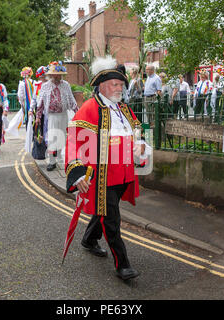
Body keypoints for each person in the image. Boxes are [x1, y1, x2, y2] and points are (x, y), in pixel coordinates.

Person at [65, 55, 151, 281]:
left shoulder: (123, 108)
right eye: (115, 84)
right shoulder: (89, 108)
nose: (119, 88)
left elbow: (137, 131)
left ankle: (89, 239)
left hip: (123, 173)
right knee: (111, 219)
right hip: (101, 176)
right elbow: (74, 139)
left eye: (121, 84)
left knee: (104, 211)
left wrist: (141, 144)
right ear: (102, 85)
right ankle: (123, 265)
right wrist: (76, 172)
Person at [35, 61, 78, 171]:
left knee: (62, 137)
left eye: (58, 74)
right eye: (54, 74)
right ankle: (51, 161)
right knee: (51, 138)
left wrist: (78, 113)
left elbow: (72, 100)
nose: (56, 76)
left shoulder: (66, 85)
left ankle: (60, 157)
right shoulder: (45, 86)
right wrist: (38, 117)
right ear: (50, 75)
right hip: (51, 116)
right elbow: (40, 103)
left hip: (63, 114)